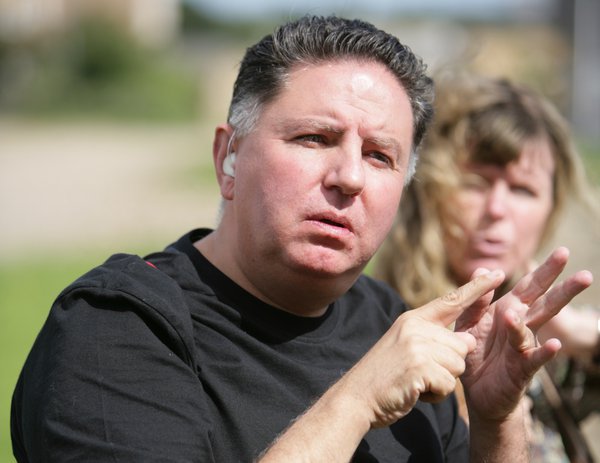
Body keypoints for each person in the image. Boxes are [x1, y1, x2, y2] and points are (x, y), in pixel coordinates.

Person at [11, 16, 593, 462]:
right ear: (229, 157)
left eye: (380, 155)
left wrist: (496, 421)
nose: (349, 177)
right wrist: (358, 399)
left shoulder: (394, 322)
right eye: (314, 138)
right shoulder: (117, 328)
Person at [373, 72, 600, 461]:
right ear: (426, 189)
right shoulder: (382, 329)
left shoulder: (541, 346)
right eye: (475, 182)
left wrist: (588, 338)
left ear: (550, 210)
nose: (496, 209)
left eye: (522, 189)